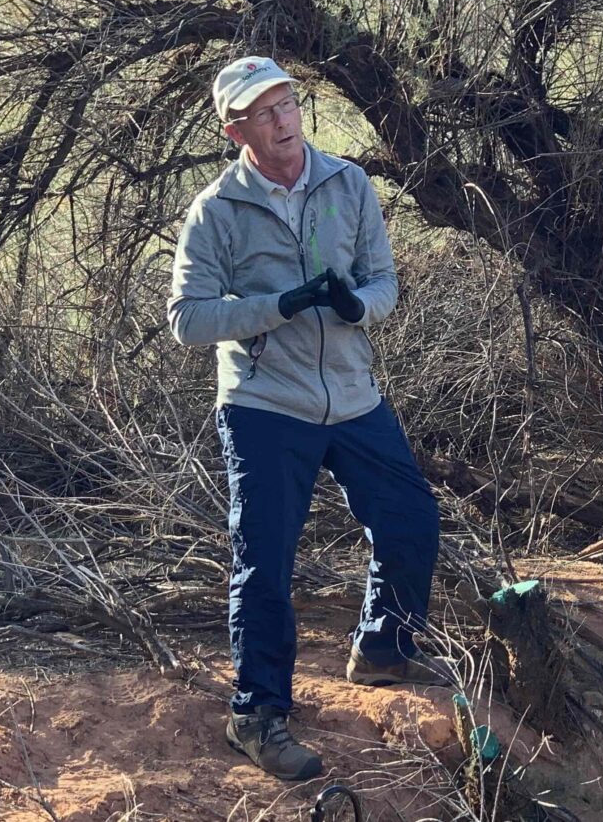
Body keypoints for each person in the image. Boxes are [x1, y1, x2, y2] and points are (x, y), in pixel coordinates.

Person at [167, 56, 448, 781]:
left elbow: (383, 280)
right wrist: (278, 306)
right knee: (266, 561)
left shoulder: (347, 183)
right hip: (265, 404)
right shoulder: (215, 211)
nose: (284, 120)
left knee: (412, 518)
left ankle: (383, 648)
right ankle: (257, 714)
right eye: (264, 112)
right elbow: (188, 318)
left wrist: (360, 305)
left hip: (352, 395)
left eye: (289, 103)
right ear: (236, 131)